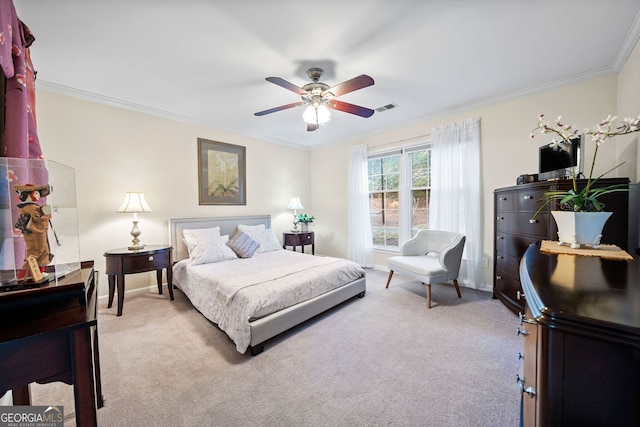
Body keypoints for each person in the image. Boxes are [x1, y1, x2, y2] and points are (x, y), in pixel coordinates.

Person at [14, 184, 53, 280]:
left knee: (36, 250)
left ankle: (38, 271)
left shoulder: (26, 207)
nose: (38, 195)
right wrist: (47, 214)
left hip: (31, 232)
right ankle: (28, 273)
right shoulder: (31, 207)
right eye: (36, 193)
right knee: (39, 250)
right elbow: (38, 219)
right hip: (36, 232)